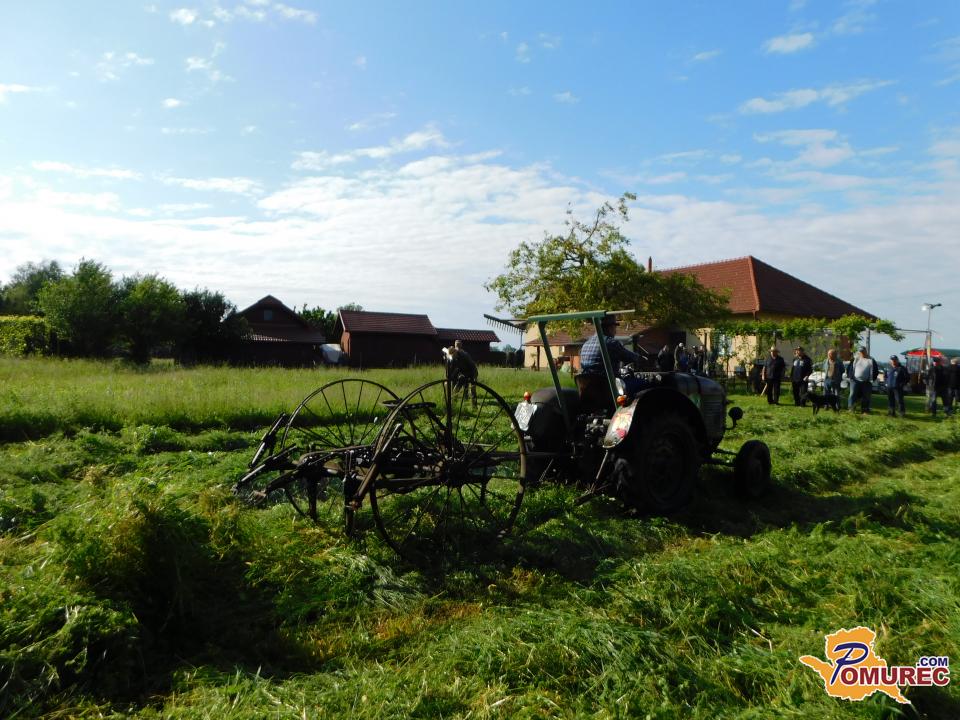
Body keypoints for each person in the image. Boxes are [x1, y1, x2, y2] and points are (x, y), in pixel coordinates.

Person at [577, 315, 642, 412]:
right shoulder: (611, 343)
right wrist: (640, 357)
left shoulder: (585, 344)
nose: (615, 331)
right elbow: (631, 358)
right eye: (615, 327)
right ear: (610, 327)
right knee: (642, 384)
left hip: (588, 391)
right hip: (608, 390)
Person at [447, 339, 478, 406]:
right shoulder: (453, 358)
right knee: (456, 389)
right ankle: (454, 405)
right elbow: (453, 369)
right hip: (463, 373)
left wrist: (474, 378)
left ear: (455, 352)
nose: (452, 357)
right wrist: (449, 378)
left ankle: (474, 406)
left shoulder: (464, 355)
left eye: (453, 355)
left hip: (472, 372)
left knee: (472, 390)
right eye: (451, 356)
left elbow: (473, 366)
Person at [850, 347, 874, 414]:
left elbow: (874, 371)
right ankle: (851, 408)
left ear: (866, 351)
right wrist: (851, 377)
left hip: (866, 382)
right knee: (853, 395)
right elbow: (851, 368)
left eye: (863, 351)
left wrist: (871, 379)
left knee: (866, 397)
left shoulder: (871, 359)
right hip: (855, 381)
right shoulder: (856, 358)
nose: (862, 353)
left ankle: (864, 410)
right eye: (860, 351)